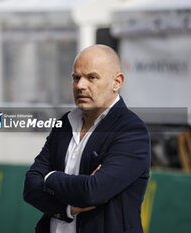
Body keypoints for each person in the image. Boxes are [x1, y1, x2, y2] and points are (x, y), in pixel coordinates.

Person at [23, 44, 151, 233]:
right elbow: (30, 187)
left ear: (117, 82)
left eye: (92, 77)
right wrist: (66, 209)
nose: (80, 85)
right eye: (76, 78)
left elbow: (93, 192)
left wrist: (49, 177)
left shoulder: (131, 131)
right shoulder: (65, 124)